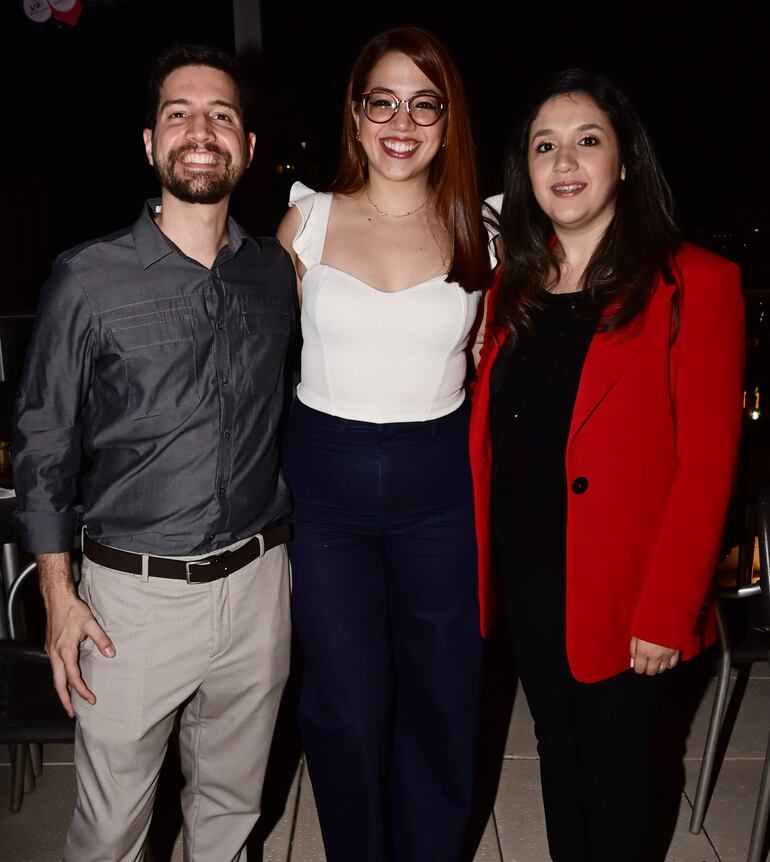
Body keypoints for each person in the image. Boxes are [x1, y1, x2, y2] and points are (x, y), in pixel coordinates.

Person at [12, 43, 296, 862]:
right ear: (149, 143)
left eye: (222, 116)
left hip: (257, 589)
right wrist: (59, 598)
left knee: (231, 812)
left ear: (245, 144)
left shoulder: (273, 274)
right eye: (179, 113)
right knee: (108, 832)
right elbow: (42, 443)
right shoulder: (87, 279)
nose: (200, 131)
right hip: (129, 605)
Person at [470, 69, 744, 861]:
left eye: (587, 140)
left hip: (628, 590)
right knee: (559, 753)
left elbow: (707, 467)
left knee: (620, 770)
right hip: (527, 574)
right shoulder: (512, 286)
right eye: (544, 146)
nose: (565, 161)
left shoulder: (696, 282)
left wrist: (667, 611)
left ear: (624, 161)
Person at [275, 26, 492, 862]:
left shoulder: (484, 229)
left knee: (443, 697)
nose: (402, 120)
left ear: (447, 119)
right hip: (325, 485)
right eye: (383, 101)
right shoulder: (307, 220)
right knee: (347, 705)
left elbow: (495, 359)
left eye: (424, 103)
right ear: (358, 116)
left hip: (439, 485)